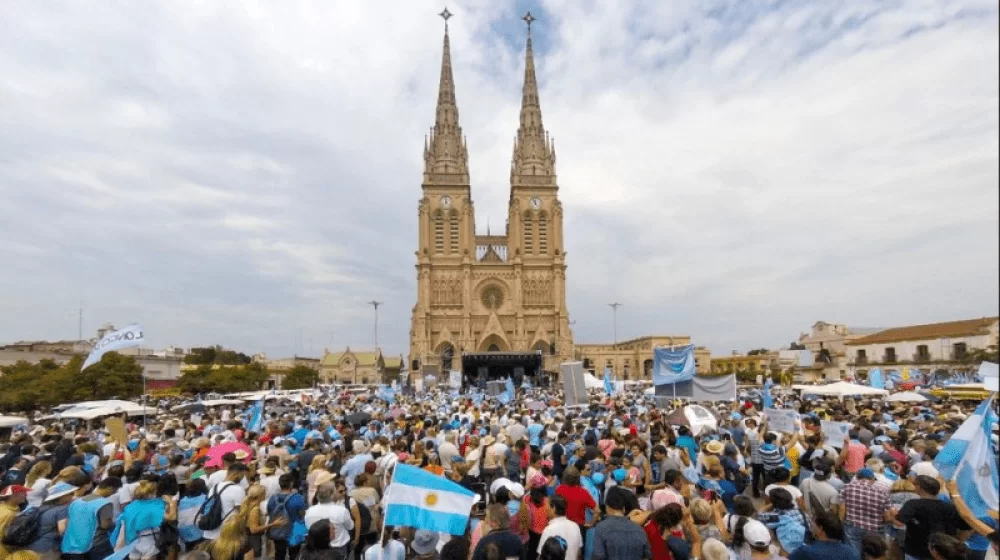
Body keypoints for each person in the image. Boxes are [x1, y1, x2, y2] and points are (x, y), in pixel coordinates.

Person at [895, 476, 971, 560]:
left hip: (916, 551)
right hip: (943, 552)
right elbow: (967, 527)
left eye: (915, 484)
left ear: (919, 487)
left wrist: (892, 516)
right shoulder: (949, 507)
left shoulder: (912, 504)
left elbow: (899, 522)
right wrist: (958, 540)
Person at [591, 486, 651, 560]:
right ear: (623, 508)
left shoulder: (601, 528)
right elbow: (647, 555)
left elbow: (598, 556)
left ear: (607, 507)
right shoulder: (640, 530)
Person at [303, 483, 353, 560]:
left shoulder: (310, 511)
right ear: (332, 495)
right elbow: (350, 526)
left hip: (317, 548)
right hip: (339, 547)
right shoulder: (341, 511)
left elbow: (309, 527)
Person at [788, 509, 860, 560]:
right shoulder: (853, 553)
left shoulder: (805, 552)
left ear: (821, 529)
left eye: (812, 524)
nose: (811, 527)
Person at [536, 496, 581, 560]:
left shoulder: (549, 530)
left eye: (547, 505)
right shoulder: (575, 526)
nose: (545, 508)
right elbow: (578, 553)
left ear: (553, 508)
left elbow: (541, 555)